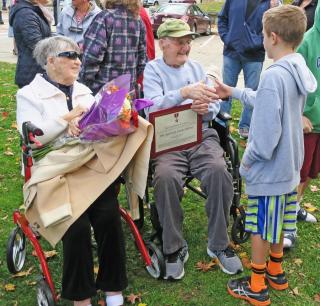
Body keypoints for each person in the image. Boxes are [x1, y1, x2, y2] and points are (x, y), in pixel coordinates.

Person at [16, 36, 152, 306]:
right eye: (71, 55)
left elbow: (98, 125)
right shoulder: (29, 94)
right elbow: (33, 138)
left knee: (109, 215)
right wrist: (67, 120)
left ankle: (113, 288)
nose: (78, 61)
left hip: (86, 167)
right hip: (51, 171)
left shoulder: (82, 90)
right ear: (50, 61)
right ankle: (81, 297)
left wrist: (120, 117)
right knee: (74, 225)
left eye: (79, 55)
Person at [215, 5, 317, 305]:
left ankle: (257, 285)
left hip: (270, 168)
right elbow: (266, 100)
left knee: (260, 225)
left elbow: (266, 136)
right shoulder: (297, 67)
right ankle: (276, 271)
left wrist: (247, 162)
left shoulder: (273, 76)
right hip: (289, 165)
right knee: (278, 220)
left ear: (272, 37)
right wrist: (232, 92)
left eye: (262, 34)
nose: (261, 39)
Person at [143, 18, 243, 280]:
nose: (185, 47)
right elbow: (151, 108)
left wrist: (205, 108)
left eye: (188, 41)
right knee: (165, 178)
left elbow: (214, 108)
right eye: (179, 41)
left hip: (200, 134)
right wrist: (184, 93)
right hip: (168, 139)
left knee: (219, 170)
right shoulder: (153, 70)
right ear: (163, 42)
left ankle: (219, 244)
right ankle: (173, 247)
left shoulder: (198, 68)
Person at [283, 0, 320, 249]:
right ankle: (287, 223)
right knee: (297, 171)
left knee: (310, 173)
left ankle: (295, 207)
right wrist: (300, 113)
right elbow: (296, 82)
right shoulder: (308, 41)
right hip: (308, 122)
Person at [217, 0, 279, 139]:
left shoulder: (271, 2)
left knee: (251, 92)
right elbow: (222, 18)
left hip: (254, 56)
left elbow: (274, 27)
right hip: (231, 53)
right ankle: (221, 123)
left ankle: (245, 126)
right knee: (225, 90)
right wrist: (228, 38)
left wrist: (257, 43)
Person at [79, 0, 146, 95]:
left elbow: (91, 58)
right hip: (127, 93)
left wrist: (85, 86)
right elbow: (142, 61)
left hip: (103, 93)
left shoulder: (105, 18)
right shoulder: (138, 21)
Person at [9, 0, 51, 88]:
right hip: (32, 75)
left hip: (37, 71)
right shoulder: (25, 14)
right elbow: (37, 45)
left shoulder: (33, 10)